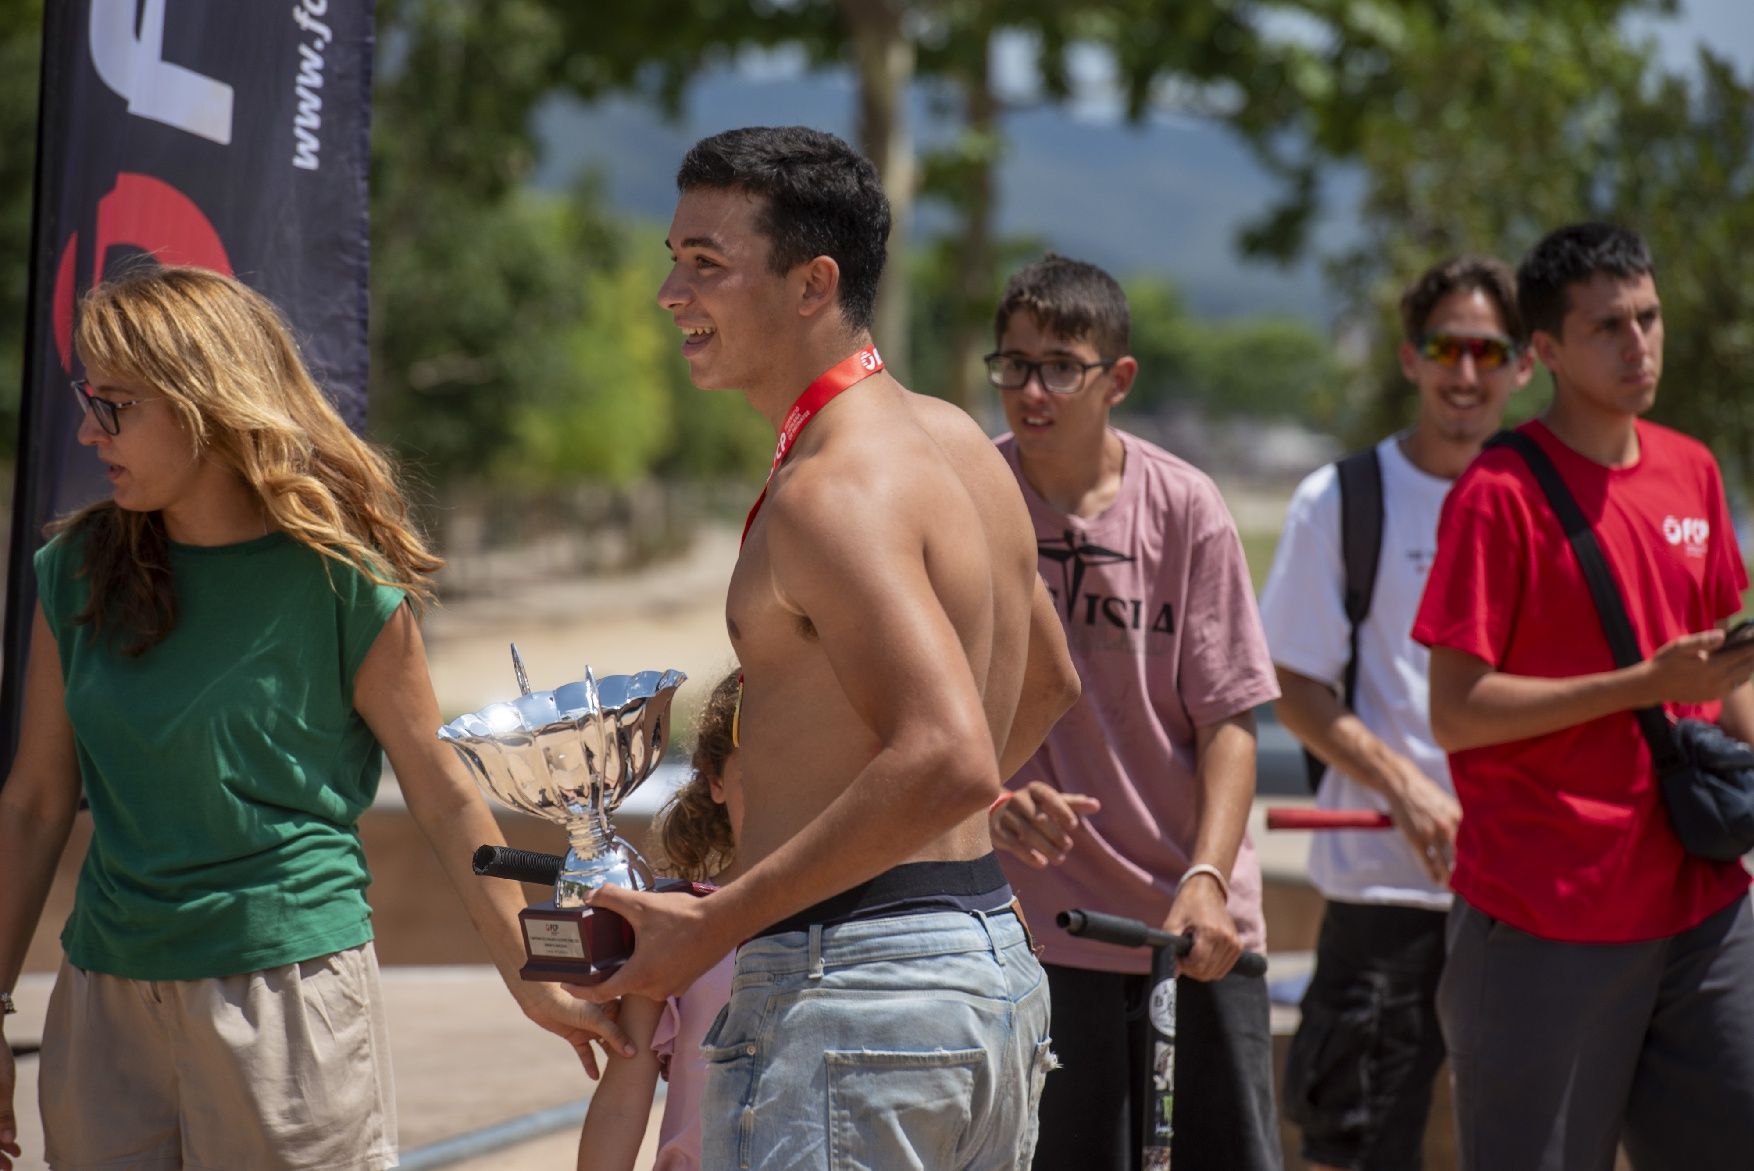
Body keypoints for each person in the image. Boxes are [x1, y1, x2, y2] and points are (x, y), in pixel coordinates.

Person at [0, 265, 627, 1171]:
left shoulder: (342, 578)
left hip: (288, 1003)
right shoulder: (76, 569)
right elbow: (32, 802)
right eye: (88, 399)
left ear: (202, 402)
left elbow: (445, 794)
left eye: (117, 404)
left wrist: (534, 972)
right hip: (101, 1003)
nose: (90, 430)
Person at [577, 126, 1081, 1171]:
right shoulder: (952, 442)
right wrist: (922, 842)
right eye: (673, 258)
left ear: (814, 283)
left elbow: (948, 755)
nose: (672, 294)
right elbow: (1045, 681)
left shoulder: (828, 490)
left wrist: (710, 927)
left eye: (705, 264)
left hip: (852, 990)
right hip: (976, 963)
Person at [1413, 223, 1754, 1169]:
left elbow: (1725, 678)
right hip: (1544, 912)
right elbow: (1458, 708)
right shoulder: (1496, 493)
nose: (1638, 343)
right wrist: (1645, 685)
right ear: (1547, 352)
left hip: (1704, 894)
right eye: (1608, 326)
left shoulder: (1692, 467)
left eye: (1648, 317)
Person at [983, 252, 1283, 1170]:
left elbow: (1231, 717)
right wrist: (991, 798)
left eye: (1059, 367)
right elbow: (929, 709)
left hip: (1190, 928)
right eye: (1013, 364)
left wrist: (1208, 875)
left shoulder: (1185, 506)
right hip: (1035, 930)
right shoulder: (971, 499)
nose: (1032, 390)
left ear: (1118, 380)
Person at [1260, 256, 1532, 1171]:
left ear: (1525, 364)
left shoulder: (1551, 504)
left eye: (1486, 351)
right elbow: (1292, 686)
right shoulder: (1340, 501)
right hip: (1385, 887)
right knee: (1360, 1146)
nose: (1465, 373)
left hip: (1531, 893)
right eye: (1443, 347)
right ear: (1410, 358)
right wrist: (1408, 787)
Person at [577, 670, 744, 1171]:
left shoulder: (862, 909)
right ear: (716, 780)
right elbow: (625, 1095)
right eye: (765, 757)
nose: (787, 777)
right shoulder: (670, 915)